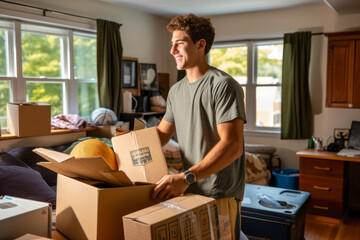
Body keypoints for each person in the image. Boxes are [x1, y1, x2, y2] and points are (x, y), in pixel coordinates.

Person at [152, 13, 246, 240]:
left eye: (179, 43)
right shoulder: (176, 90)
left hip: (220, 194)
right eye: (171, 44)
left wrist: (185, 177)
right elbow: (161, 135)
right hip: (190, 191)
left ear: (200, 45)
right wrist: (123, 144)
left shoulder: (224, 85)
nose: (172, 51)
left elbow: (233, 146)